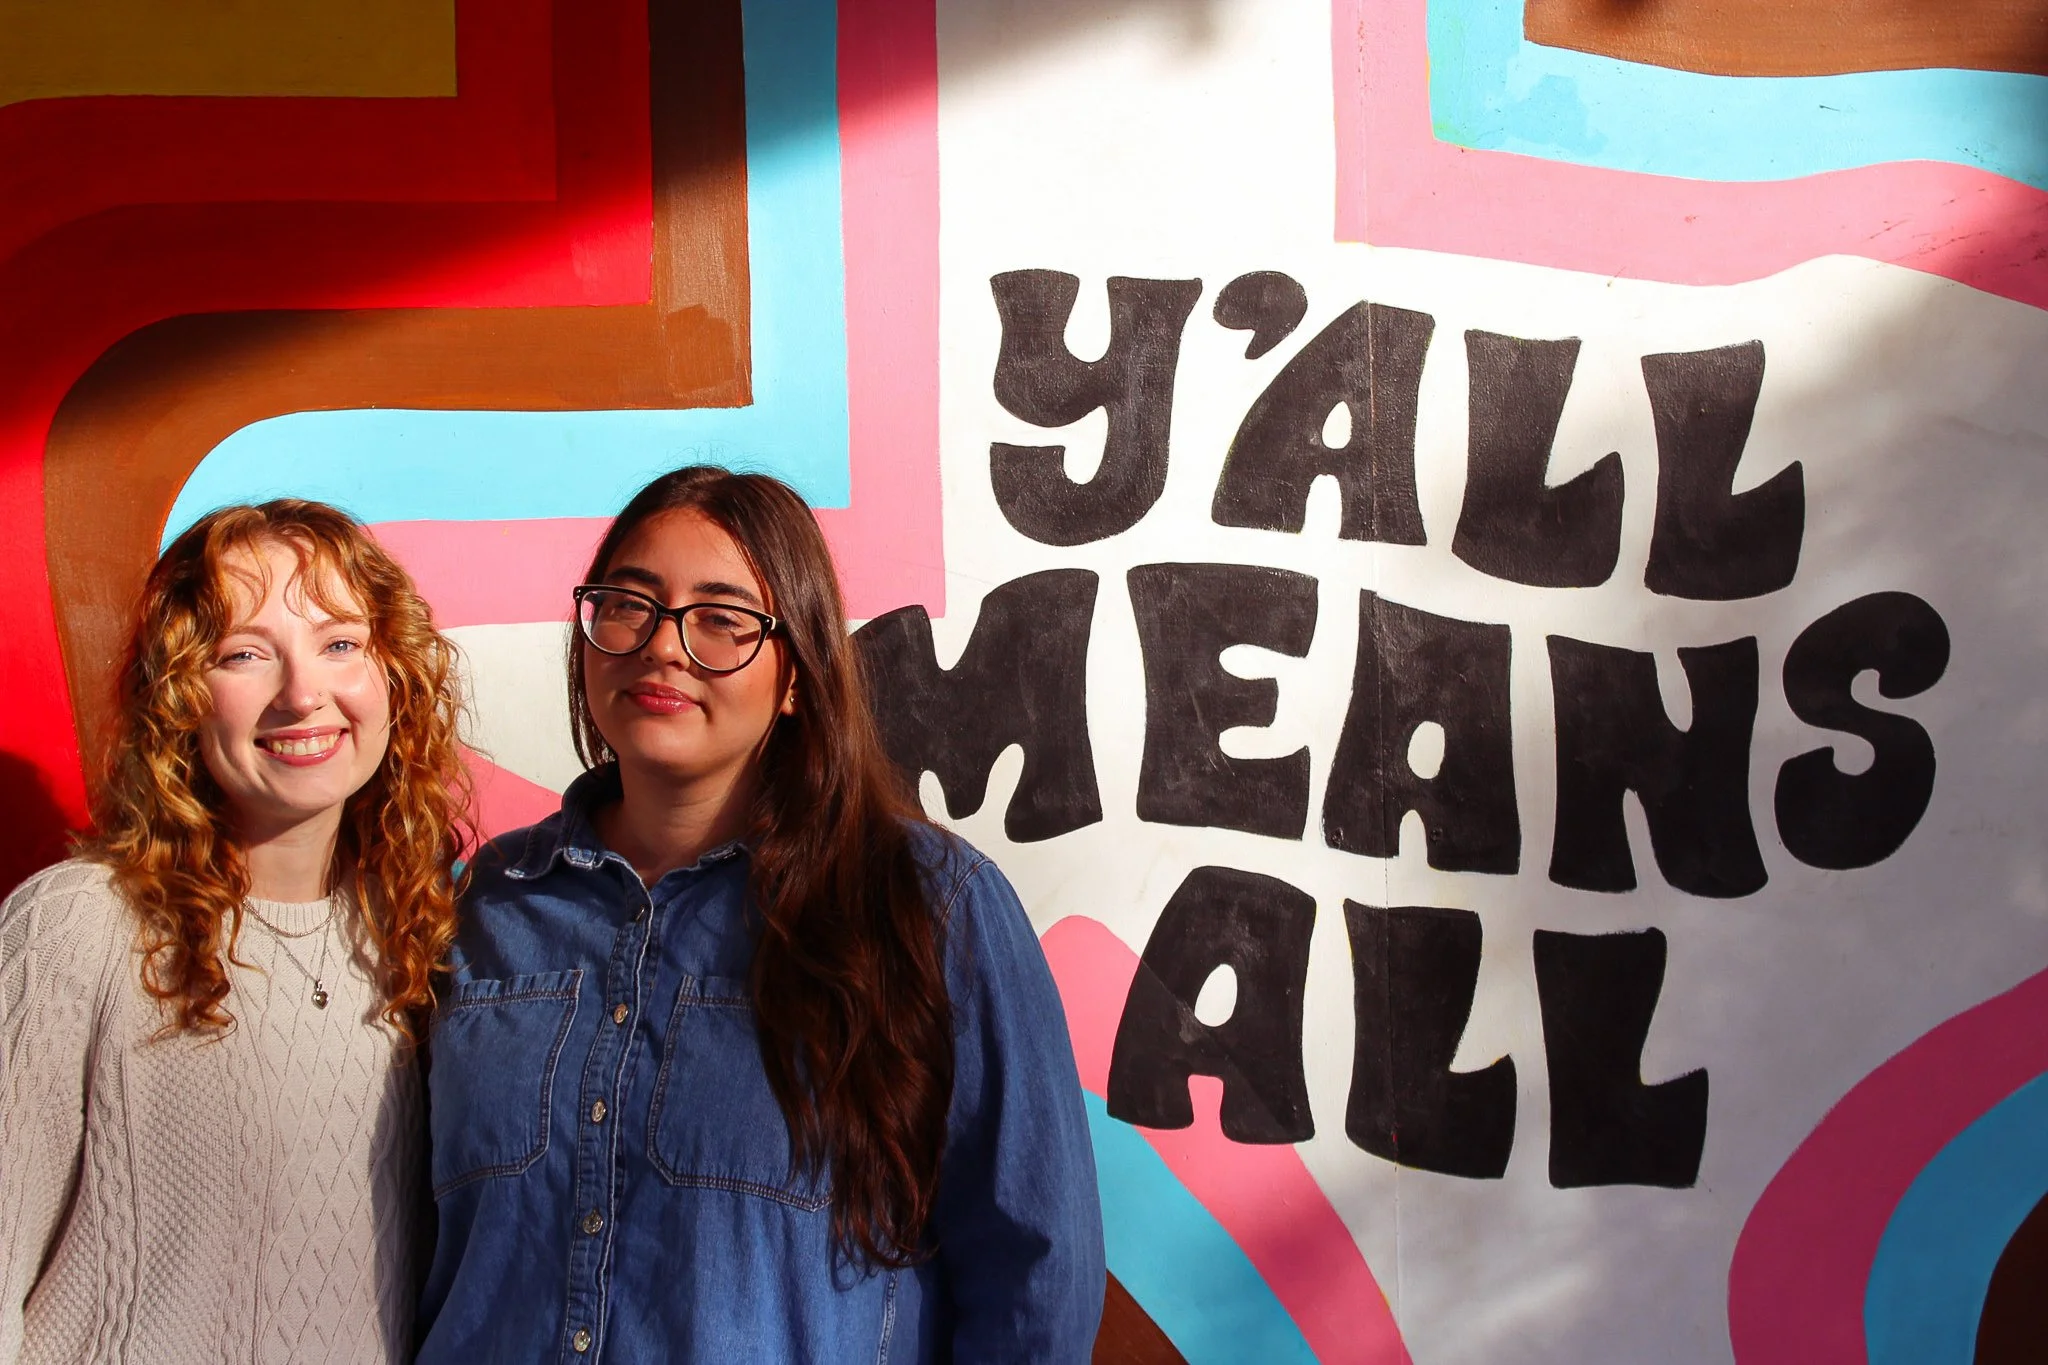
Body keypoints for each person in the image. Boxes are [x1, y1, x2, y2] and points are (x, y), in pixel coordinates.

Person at [417, 467, 1104, 1363]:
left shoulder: (928, 907)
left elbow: (1036, 1281)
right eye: (630, 603)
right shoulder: (486, 906)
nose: (664, 646)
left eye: (722, 618)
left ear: (795, 676)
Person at [0, 500, 470, 1363]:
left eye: (339, 643)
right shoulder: (77, 926)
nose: (302, 694)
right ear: (180, 691)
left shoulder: (423, 941)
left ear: (393, 676)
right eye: (245, 653)